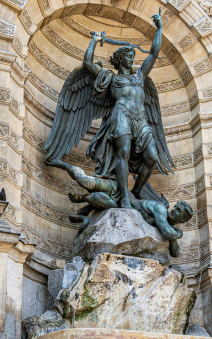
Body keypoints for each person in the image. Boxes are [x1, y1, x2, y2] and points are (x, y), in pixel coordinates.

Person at [82, 11, 165, 209]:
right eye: (128, 56)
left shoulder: (140, 76)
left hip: (140, 119)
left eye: (133, 56)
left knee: (152, 158)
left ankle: (135, 191)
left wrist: (159, 29)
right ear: (120, 60)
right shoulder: (111, 78)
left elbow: (153, 54)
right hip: (121, 115)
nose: (132, 59)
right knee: (124, 152)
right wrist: (94, 41)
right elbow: (87, 63)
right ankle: (125, 199)